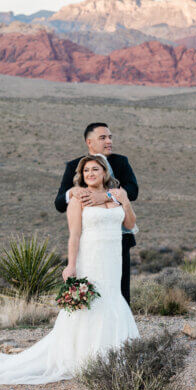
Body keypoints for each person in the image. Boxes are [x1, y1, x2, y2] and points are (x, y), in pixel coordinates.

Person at [0, 155, 139, 384]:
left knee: (112, 298)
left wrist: (126, 201)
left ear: (104, 172)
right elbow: (74, 236)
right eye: (86, 171)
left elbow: (130, 225)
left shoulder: (117, 196)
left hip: (112, 260)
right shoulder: (78, 199)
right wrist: (71, 265)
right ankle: (85, 356)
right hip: (90, 258)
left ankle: (114, 354)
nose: (90, 174)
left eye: (95, 169)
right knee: (90, 303)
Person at [54, 122, 138, 305]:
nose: (109, 141)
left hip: (119, 239)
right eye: (103, 138)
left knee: (121, 292)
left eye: (110, 137)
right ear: (89, 142)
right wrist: (72, 192)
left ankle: (121, 332)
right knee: (93, 294)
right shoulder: (75, 166)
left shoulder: (121, 162)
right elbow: (59, 203)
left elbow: (132, 191)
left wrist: (106, 196)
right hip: (91, 244)